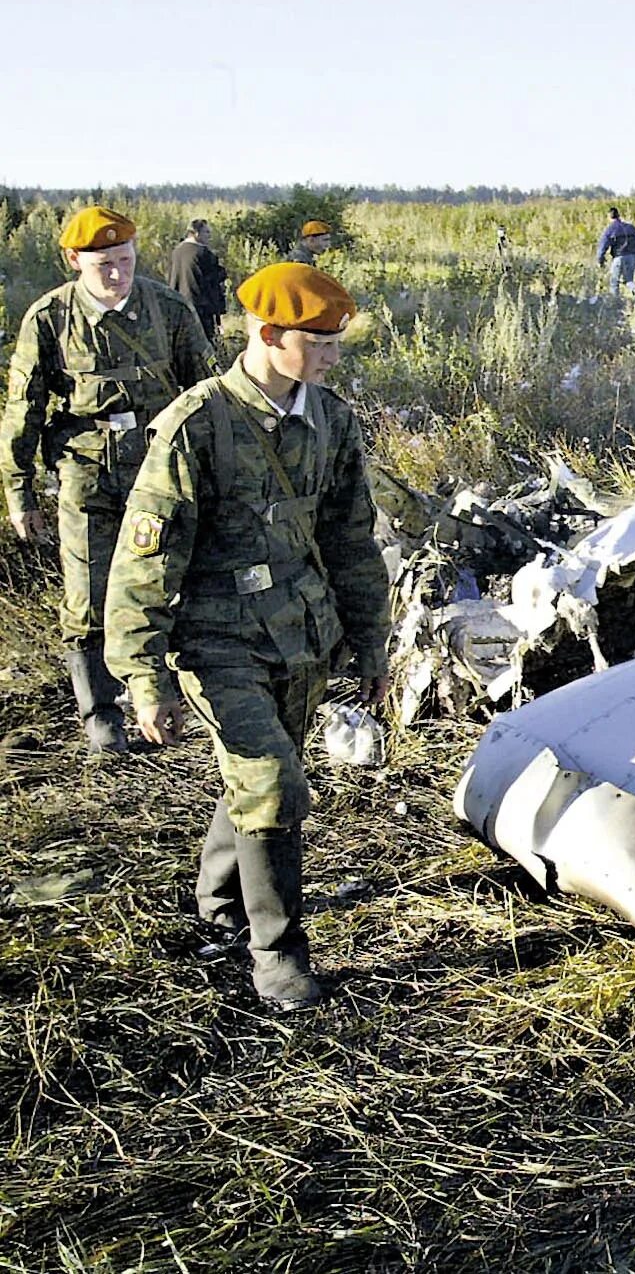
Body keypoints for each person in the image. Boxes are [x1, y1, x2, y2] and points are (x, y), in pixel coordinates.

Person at [103, 263, 389, 1012]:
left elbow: (352, 539)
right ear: (269, 336)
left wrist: (371, 644)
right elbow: (145, 561)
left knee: (263, 775)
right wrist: (143, 676)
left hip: (300, 637)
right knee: (273, 785)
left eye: (336, 343)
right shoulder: (196, 426)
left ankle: (221, 905)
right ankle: (278, 956)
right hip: (216, 643)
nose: (332, 356)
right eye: (319, 342)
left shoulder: (332, 421)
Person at [3, 206, 214, 753]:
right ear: (74, 261)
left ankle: (167, 698)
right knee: (90, 594)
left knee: (171, 580)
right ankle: (101, 713)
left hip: (159, 471)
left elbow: (204, 397)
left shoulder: (168, 310)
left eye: (125, 260)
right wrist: (19, 491)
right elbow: (22, 411)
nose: (117, 274)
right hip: (87, 472)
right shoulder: (49, 319)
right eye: (104, 265)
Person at [165, 220, 229, 344]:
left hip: (179, 304)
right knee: (206, 344)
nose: (209, 236)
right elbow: (216, 279)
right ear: (196, 233)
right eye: (206, 232)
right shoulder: (204, 253)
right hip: (201, 308)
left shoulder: (176, 252)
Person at [595, 207, 635, 297]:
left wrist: (600, 260)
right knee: (629, 280)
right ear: (619, 216)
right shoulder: (630, 227)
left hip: (618, 257)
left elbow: (603, 245)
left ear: (609, 217)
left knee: (614, 282)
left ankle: (615, 302)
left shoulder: (610, 229)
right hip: (631, 257)